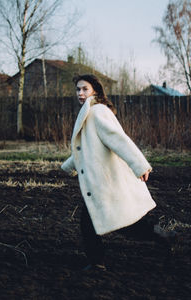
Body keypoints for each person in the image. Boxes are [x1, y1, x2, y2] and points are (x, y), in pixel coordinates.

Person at [61, 74, 176, 271]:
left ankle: (162, 237)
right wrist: (68, 165)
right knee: (94, 223)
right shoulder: (90, 112)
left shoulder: (97, 112)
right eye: (78, 89)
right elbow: (88, 148)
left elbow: (119, 140)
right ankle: (97, 262)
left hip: (105, 182)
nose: (80, 93)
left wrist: (140, 165)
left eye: (84, 89)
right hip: (99, 181)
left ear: (94, 90)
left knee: (118, 224)